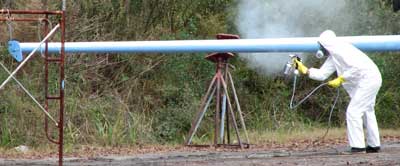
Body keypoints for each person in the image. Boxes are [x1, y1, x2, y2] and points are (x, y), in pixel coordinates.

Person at [294, 30, 382, 153]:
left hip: (369, 79)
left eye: (322, 46)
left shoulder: (343, 50)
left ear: (327, 45)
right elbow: (322, 74)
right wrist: (304, 69)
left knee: (353, 112)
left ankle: (358, 147)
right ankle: (374, 145)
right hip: (366, 81)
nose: (321, 49)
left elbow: (356, 67)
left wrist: (341, 78)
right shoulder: (334, 56)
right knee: (367, 110)